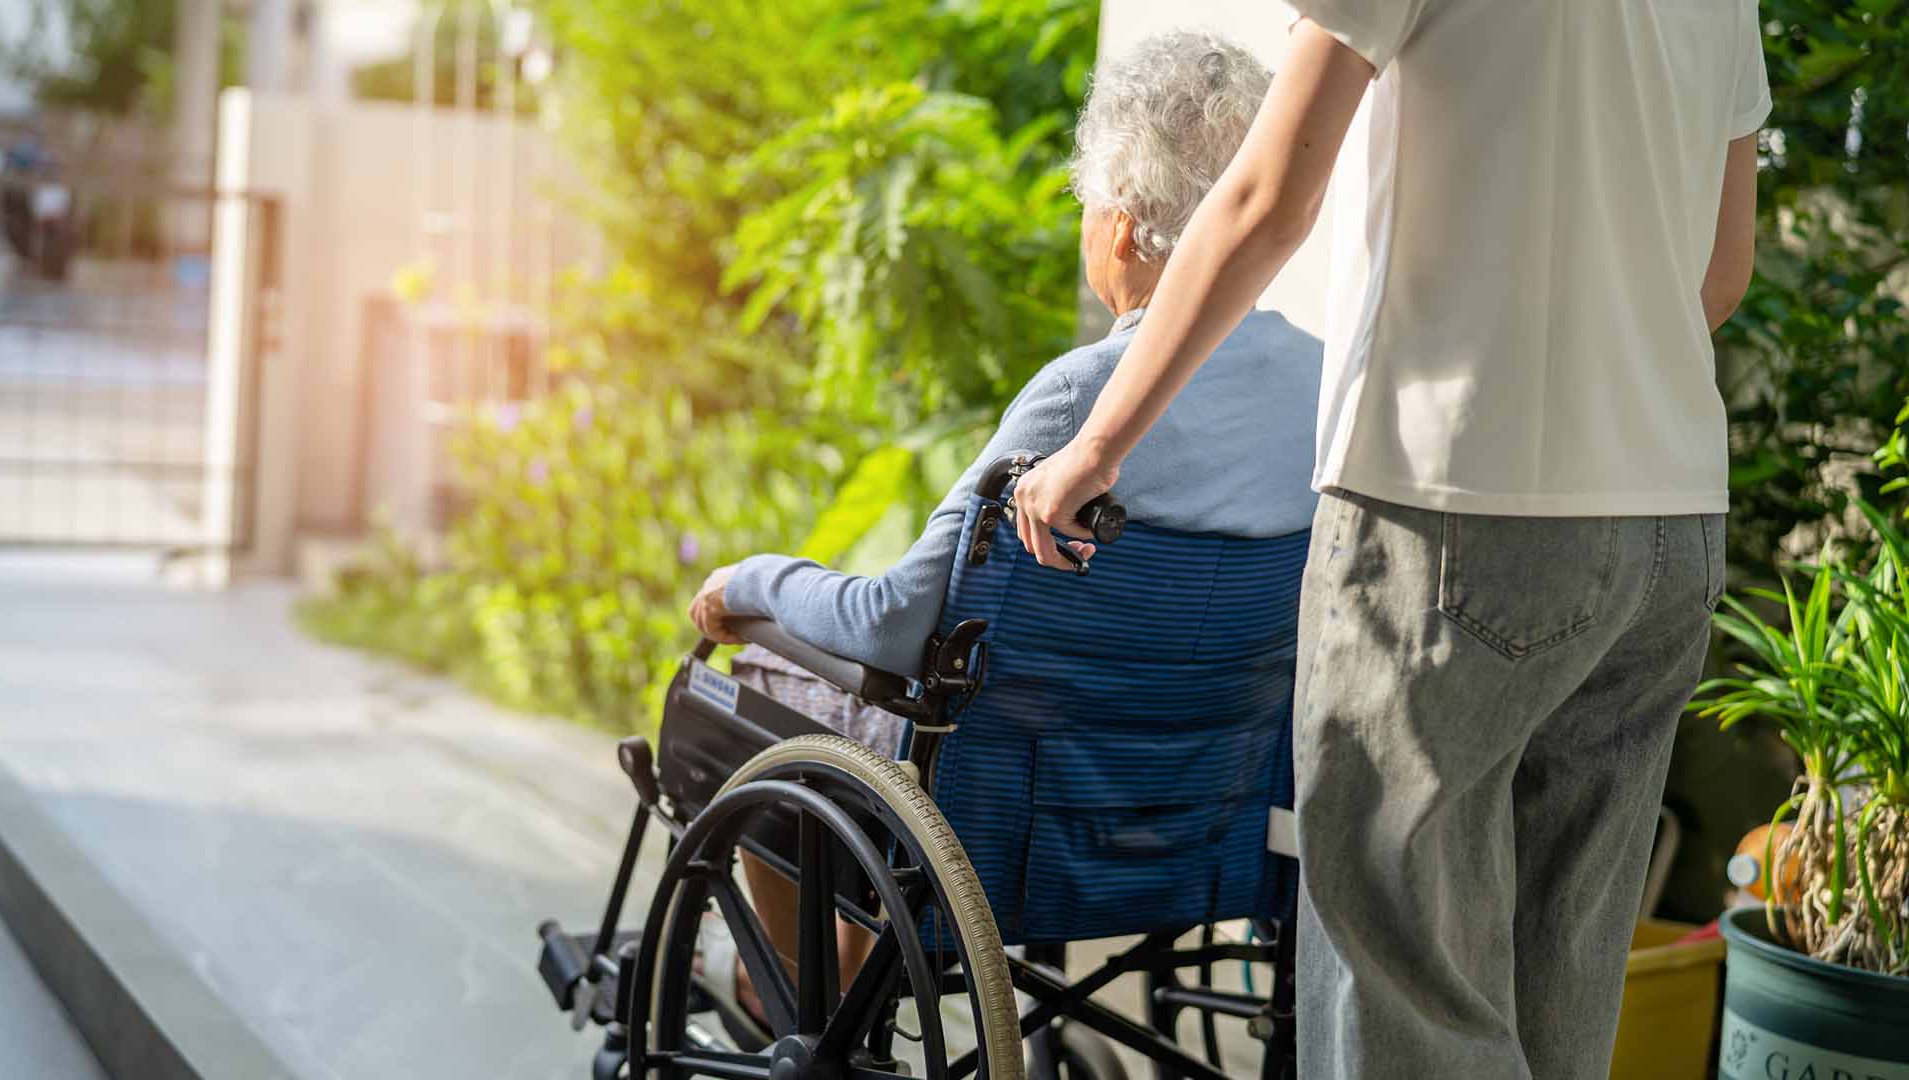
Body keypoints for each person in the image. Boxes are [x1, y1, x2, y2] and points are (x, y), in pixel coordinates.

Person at [1011, 4, 1768, 1078]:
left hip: (1458, 508)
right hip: (1669, 526)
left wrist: (1097, 443)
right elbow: (1721, 270)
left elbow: (1269, 198)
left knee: (1408, 993)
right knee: (1562, 979)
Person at [685, 30, 1324, 1027]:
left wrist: (753, 581)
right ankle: (846, 976)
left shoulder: (1084, 402)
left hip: (1008, 821)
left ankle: (791, 996)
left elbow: (896, 623)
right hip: (1202, 814)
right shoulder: (1327, 388)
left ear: (1119, 227)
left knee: (749, 687)